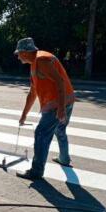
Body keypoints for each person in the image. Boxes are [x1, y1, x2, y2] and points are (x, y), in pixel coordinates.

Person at [14, 37, 75, 181]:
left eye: (19, 53)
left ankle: (36, 171)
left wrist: (60, 109)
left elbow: (59, 81)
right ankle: (64, 158)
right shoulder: (34, 64)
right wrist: (23, 116)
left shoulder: (41, 61)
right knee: (59, 130)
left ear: (25, 52)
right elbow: (32, 93)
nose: (17, 57)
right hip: (66, 100)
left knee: (41, 134)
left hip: (57, 104)